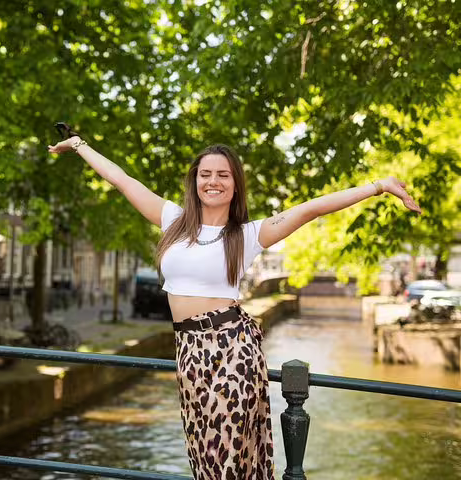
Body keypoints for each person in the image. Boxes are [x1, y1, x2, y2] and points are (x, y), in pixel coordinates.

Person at [48, 132, 421, 480]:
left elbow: (311, 209)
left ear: (234, 184)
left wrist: (377, 187)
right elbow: (122, 179)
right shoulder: (172, 220)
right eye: (205, 174)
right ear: (195, 181)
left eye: (223, 175)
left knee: (225, 452)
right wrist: (80, 145)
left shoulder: (247, 235)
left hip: (231, 348)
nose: (213, 181)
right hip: (189, 351)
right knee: (203, 454)